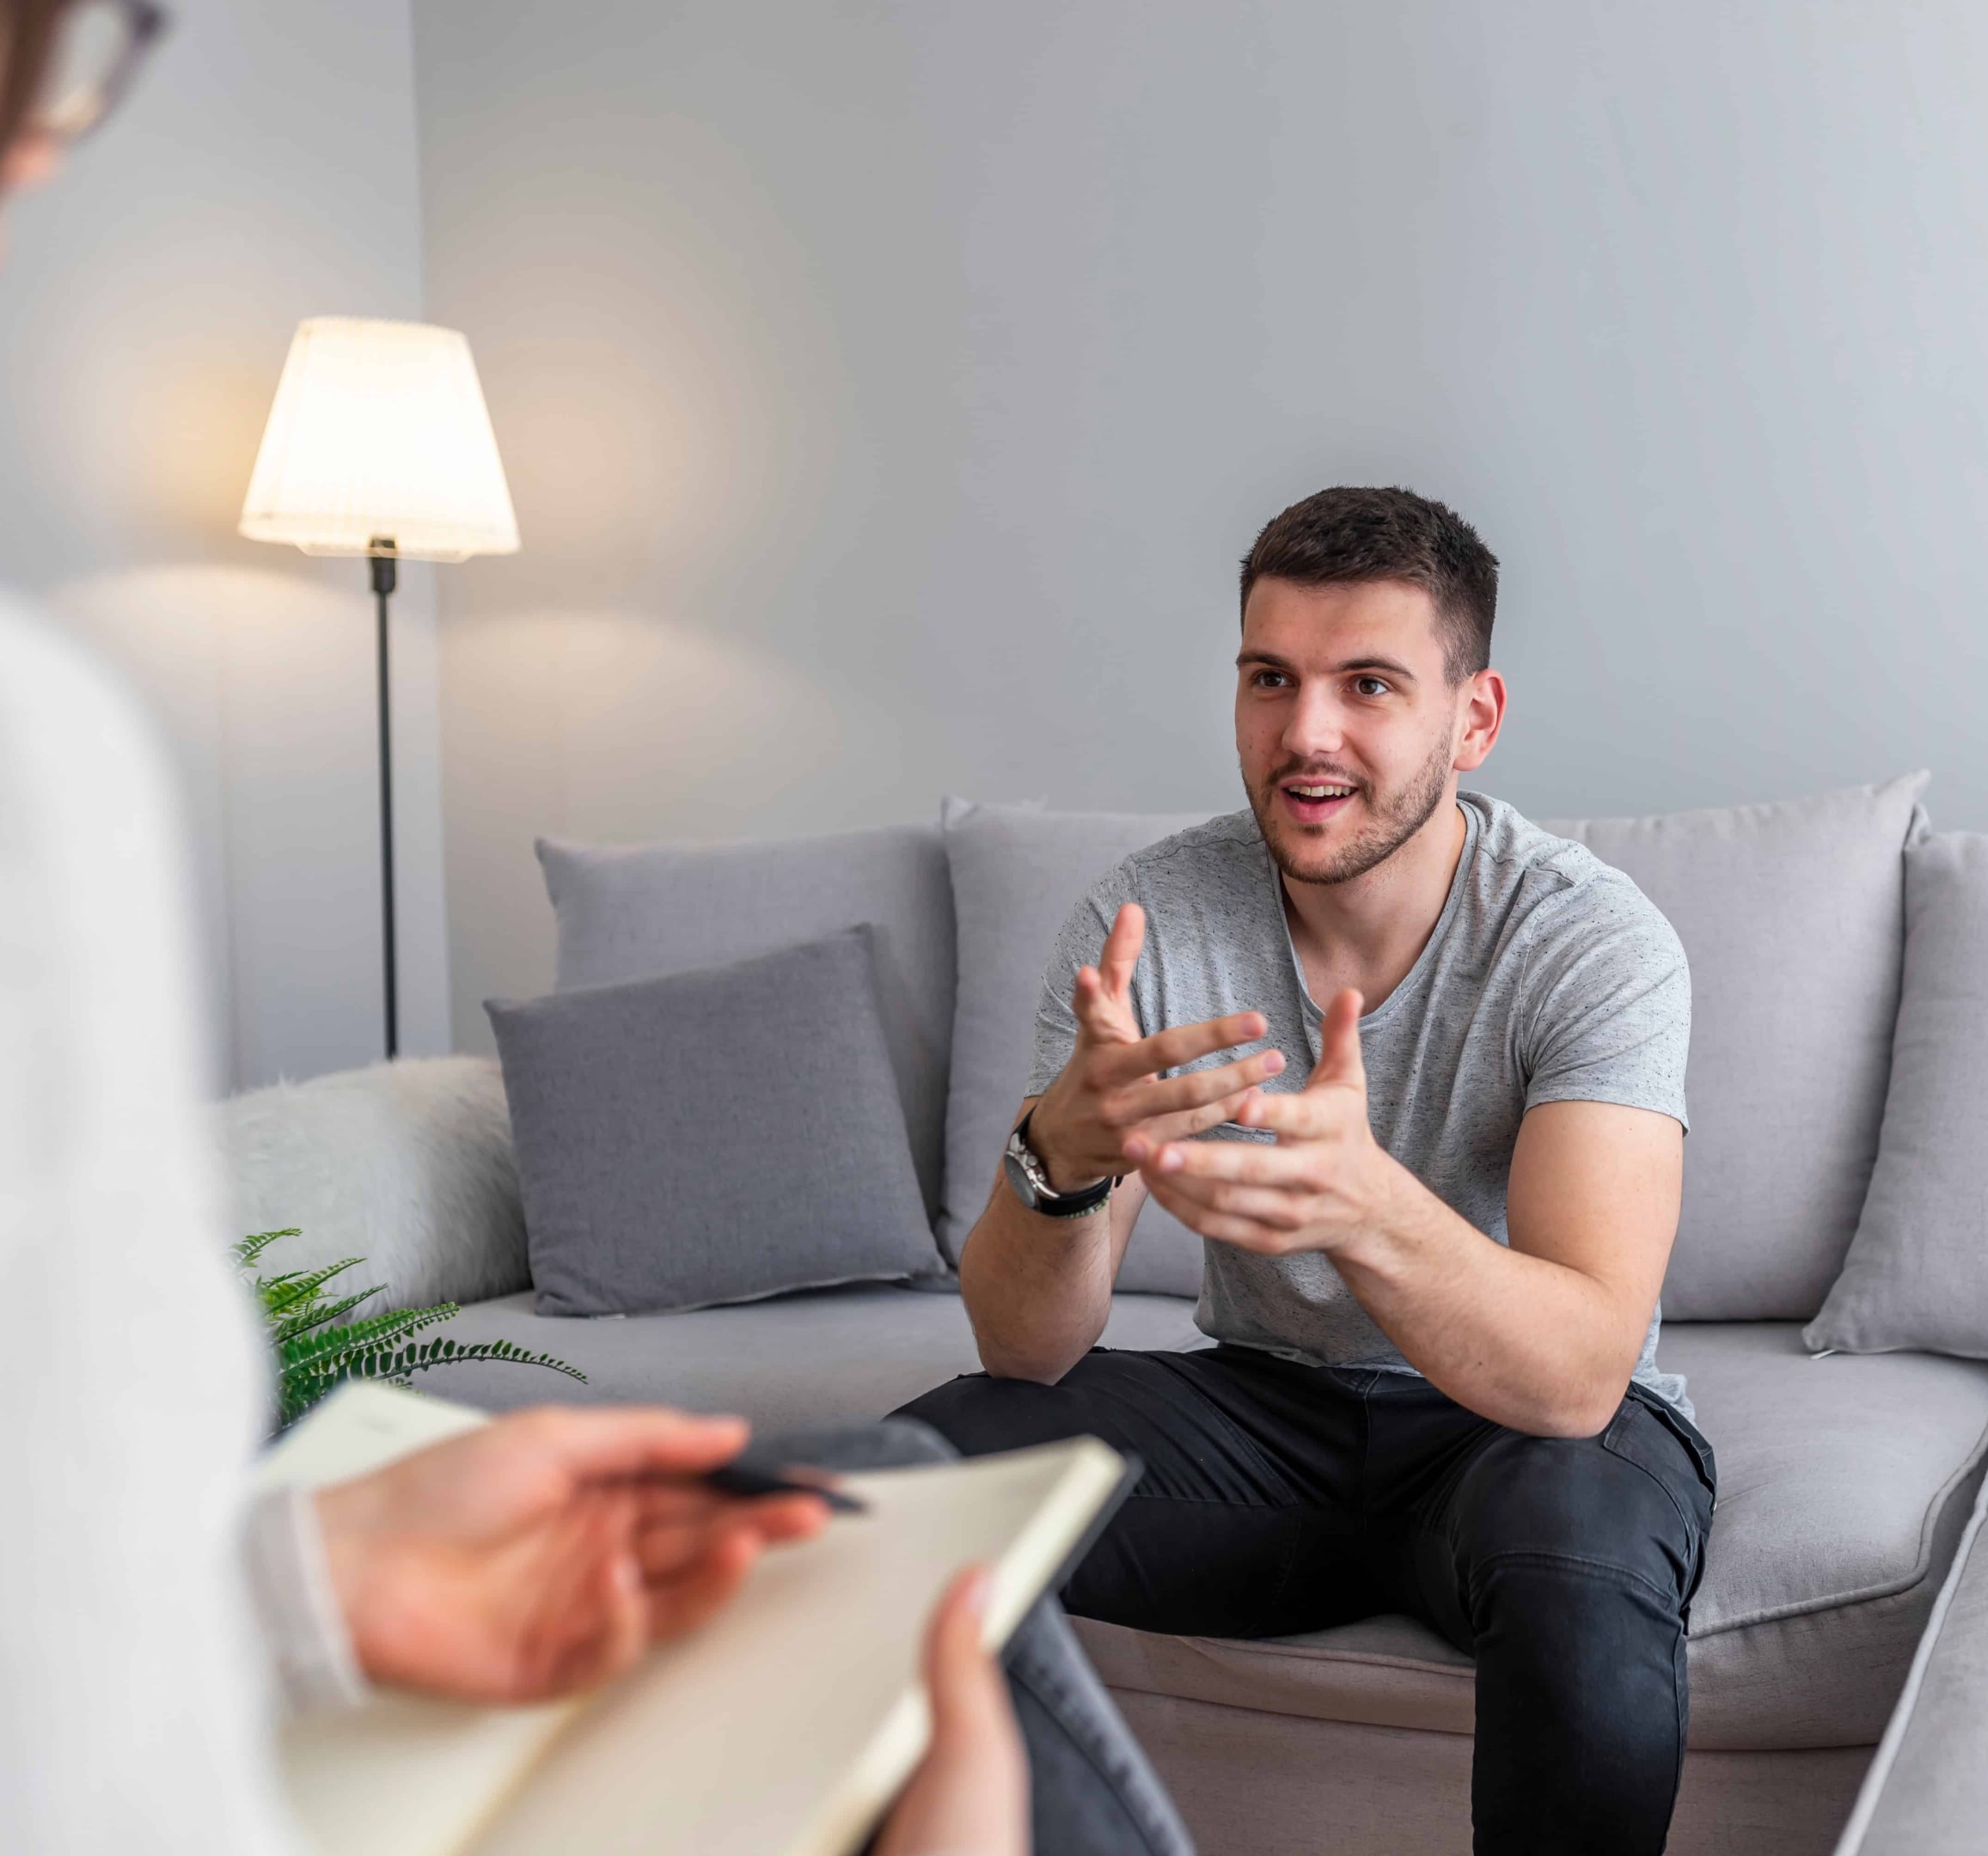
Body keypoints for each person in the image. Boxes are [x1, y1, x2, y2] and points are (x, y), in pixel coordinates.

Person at [0, 7, 1146, 1853]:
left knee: (867, 1491)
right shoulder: (38, 776)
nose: (52, 141)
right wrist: (1069, 1157)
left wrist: (291, 1584)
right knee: (914, 1539)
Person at [901, 485, 1711, 1854]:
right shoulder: (1142, 923)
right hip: (1271, 1422)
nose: (1305, 734)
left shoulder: (1591, 942)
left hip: (1528, 1435)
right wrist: (1062, 1158)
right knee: (912, 1482)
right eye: (1269, 680)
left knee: (1578, 1568)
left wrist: (1366, 1203)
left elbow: (1579, 1368)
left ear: (1476, 718)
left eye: (1369, 685)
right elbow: (1028, 1353)